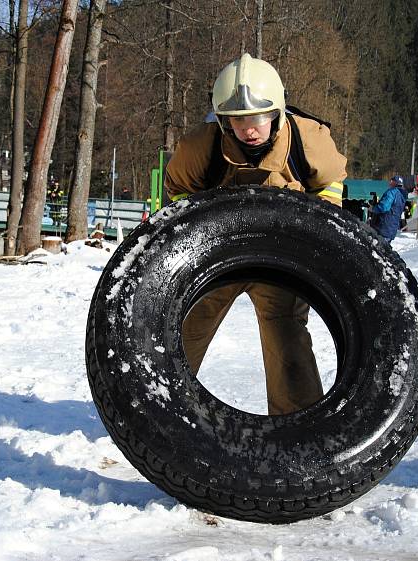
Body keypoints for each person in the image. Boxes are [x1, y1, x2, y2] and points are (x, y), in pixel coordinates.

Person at [165, 53, 347, 415]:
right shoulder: (201, 147)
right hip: (217, 256)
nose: (248, 129)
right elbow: (178, 195)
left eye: (258, 118)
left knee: (286, 334)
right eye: (237, 121)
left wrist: (317, 246)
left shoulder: (308, 141)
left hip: (282, 258)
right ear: (222, 121)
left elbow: (329, 190)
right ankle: (163, 403)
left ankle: (296, 420)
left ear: (276, 112)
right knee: (186, 324)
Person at [370, 175, 416, 242]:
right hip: (392, 229)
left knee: (376, 249)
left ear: (395, 182)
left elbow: (384, 207)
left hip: (383, 227)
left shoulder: (392, 192)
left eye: (392, 180)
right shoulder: (403, 195)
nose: (390, 182)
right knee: (385, 250)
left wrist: (373, 208)